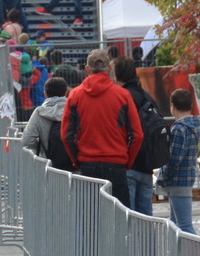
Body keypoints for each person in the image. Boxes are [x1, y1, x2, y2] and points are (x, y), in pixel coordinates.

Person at [59, 49, 142, 206]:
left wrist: (77, 159)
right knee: (119, 218)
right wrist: (127, 160)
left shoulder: (75, 95)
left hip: (88, 163)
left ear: (87, 69)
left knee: (90, 216)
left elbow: (66, 135)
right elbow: (137, 135)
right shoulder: (123, 95)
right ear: (109, 69)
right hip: (116, 163)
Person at [114, 55, 163, 217]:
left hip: (129, 165)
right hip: (147, 166)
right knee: (146, 218)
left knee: (130, 218)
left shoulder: (121, 97)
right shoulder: (146, 96)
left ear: (116, 75)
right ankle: (149, 243)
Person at [161, 89, 200, 234]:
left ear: (173, 106)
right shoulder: (194, 125)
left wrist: (163, 176)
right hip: (187, 177)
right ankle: (177, 254)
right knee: (175, 222)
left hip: (178, 180)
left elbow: (174, 159)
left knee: (184, 225)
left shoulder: (179, 129)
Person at [21, 76, 73, 169]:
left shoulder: (39, 112)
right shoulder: (74, 110)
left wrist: (42, 146)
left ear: (45, 94)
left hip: (48, 164)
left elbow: (27, 140)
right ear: (66, 93)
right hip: (73, 162)